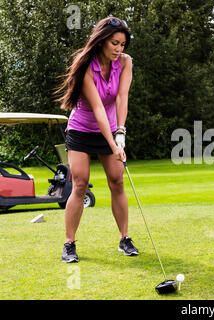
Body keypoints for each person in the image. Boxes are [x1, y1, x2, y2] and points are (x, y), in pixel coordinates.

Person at [55, 17, 138, 262]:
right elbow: (99, 108)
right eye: (114, 43)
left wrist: (120, 133)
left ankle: (124, 239)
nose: (119, 49)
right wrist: (112, 145)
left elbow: (122, 98)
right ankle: (69, 244)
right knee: (80, 183)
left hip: (111, 128)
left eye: (122, 44)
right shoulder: (86, 65)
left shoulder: (125, 63)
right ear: (102, 40)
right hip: (81, 130)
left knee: (117, 180)